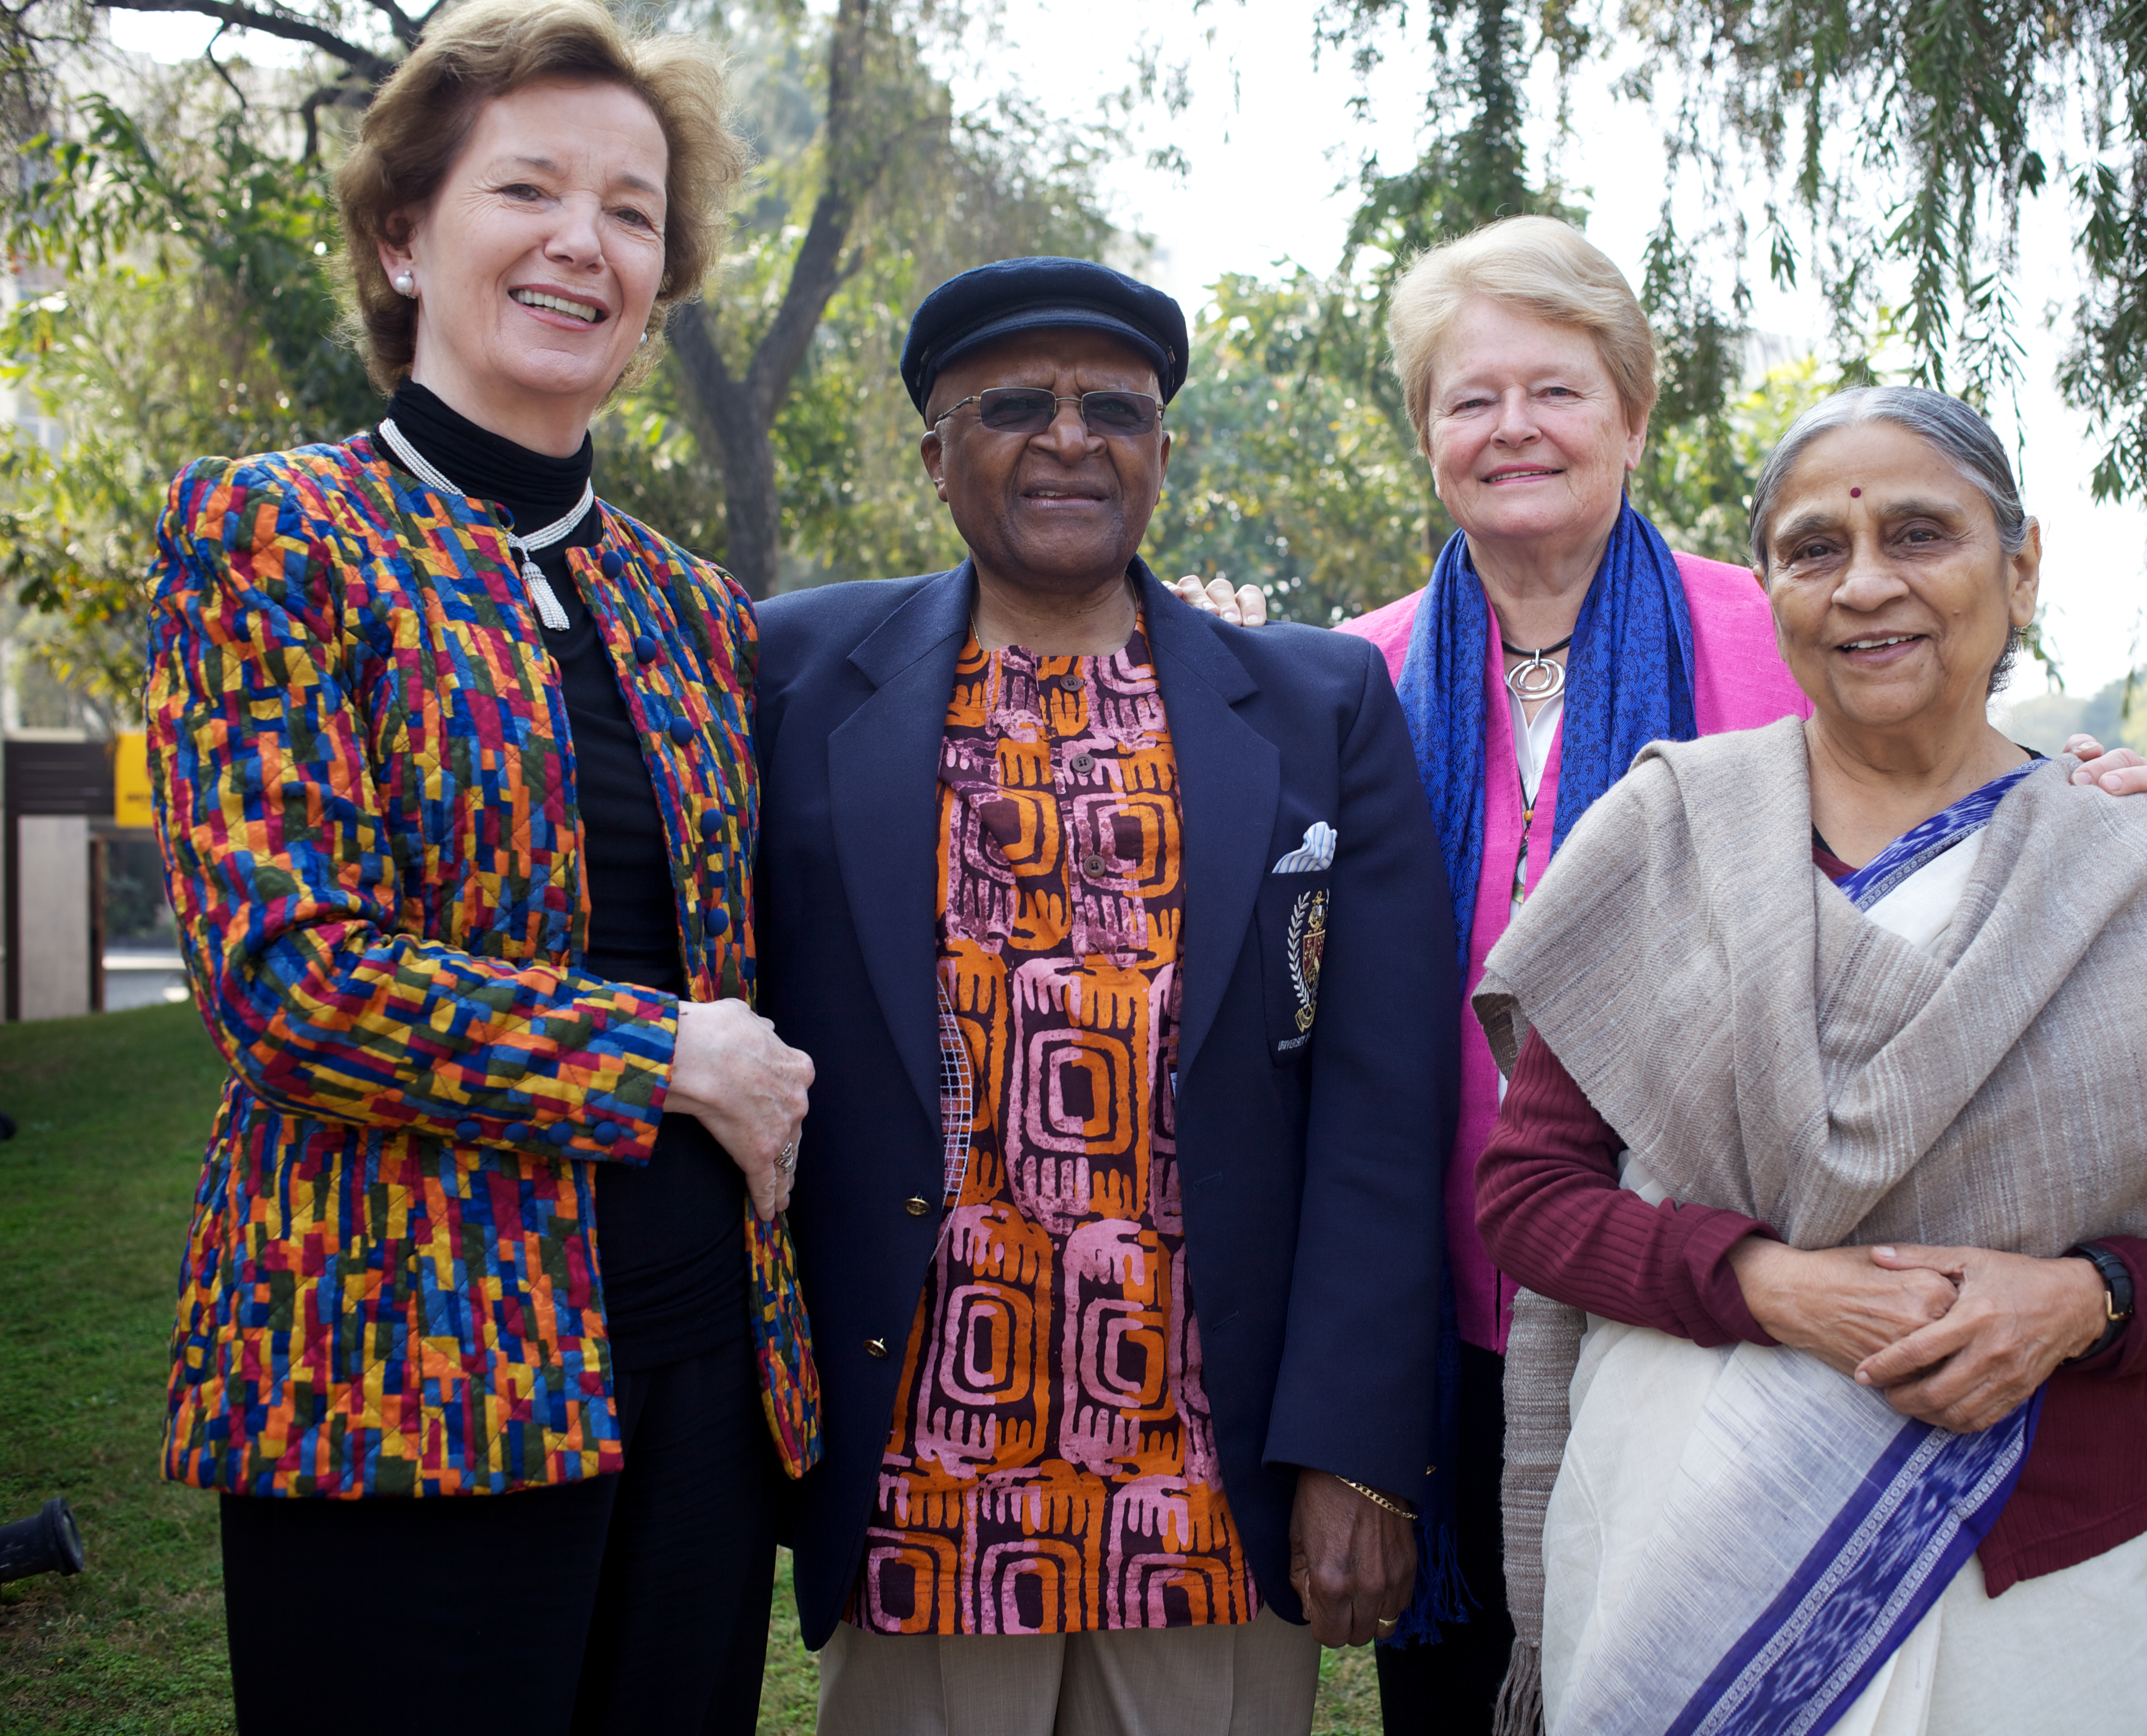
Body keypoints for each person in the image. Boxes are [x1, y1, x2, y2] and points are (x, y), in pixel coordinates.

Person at [1177, 214, 2147, 1734]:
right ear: (1425, 435)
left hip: (1754, 1309)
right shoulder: (1351, 679)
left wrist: (2094, 799)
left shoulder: (1790, 628)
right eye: (1470, 399)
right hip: (1432, 1316)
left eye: (1559, 388)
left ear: (1634, 413)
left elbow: (1962, 803)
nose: (1514, 428)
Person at [1467, 385, 2147, 1735]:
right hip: (1683, 1511)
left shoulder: (2134, 873)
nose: (1864, 586)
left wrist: (2084, 1303)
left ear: (2020, 567)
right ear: (1769, 587)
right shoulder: (1669, 831)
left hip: (2020, 1541)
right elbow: (1531, 1197)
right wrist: (1770, 1286)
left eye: (1921, 535)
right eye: (1813, 550)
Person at [144, 5, 819, 1730]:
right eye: (528, 190)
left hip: (696, 1386)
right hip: (397, 1374)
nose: (584, 244)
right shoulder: (276, 535)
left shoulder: (688, 608)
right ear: (402, 233)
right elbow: (287, 979)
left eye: (634, 213)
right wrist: (662, 1052)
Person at [753, 256, 1462, 1734]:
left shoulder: (1323, 705)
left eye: (1116, 409)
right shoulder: (795, 672)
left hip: (1208, 1468)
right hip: (915, 1461)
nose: (1071, 437)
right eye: (1015, 404)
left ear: (1160, 448)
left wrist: (1358, 1449)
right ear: (937, 452)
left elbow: (1384, 1104)